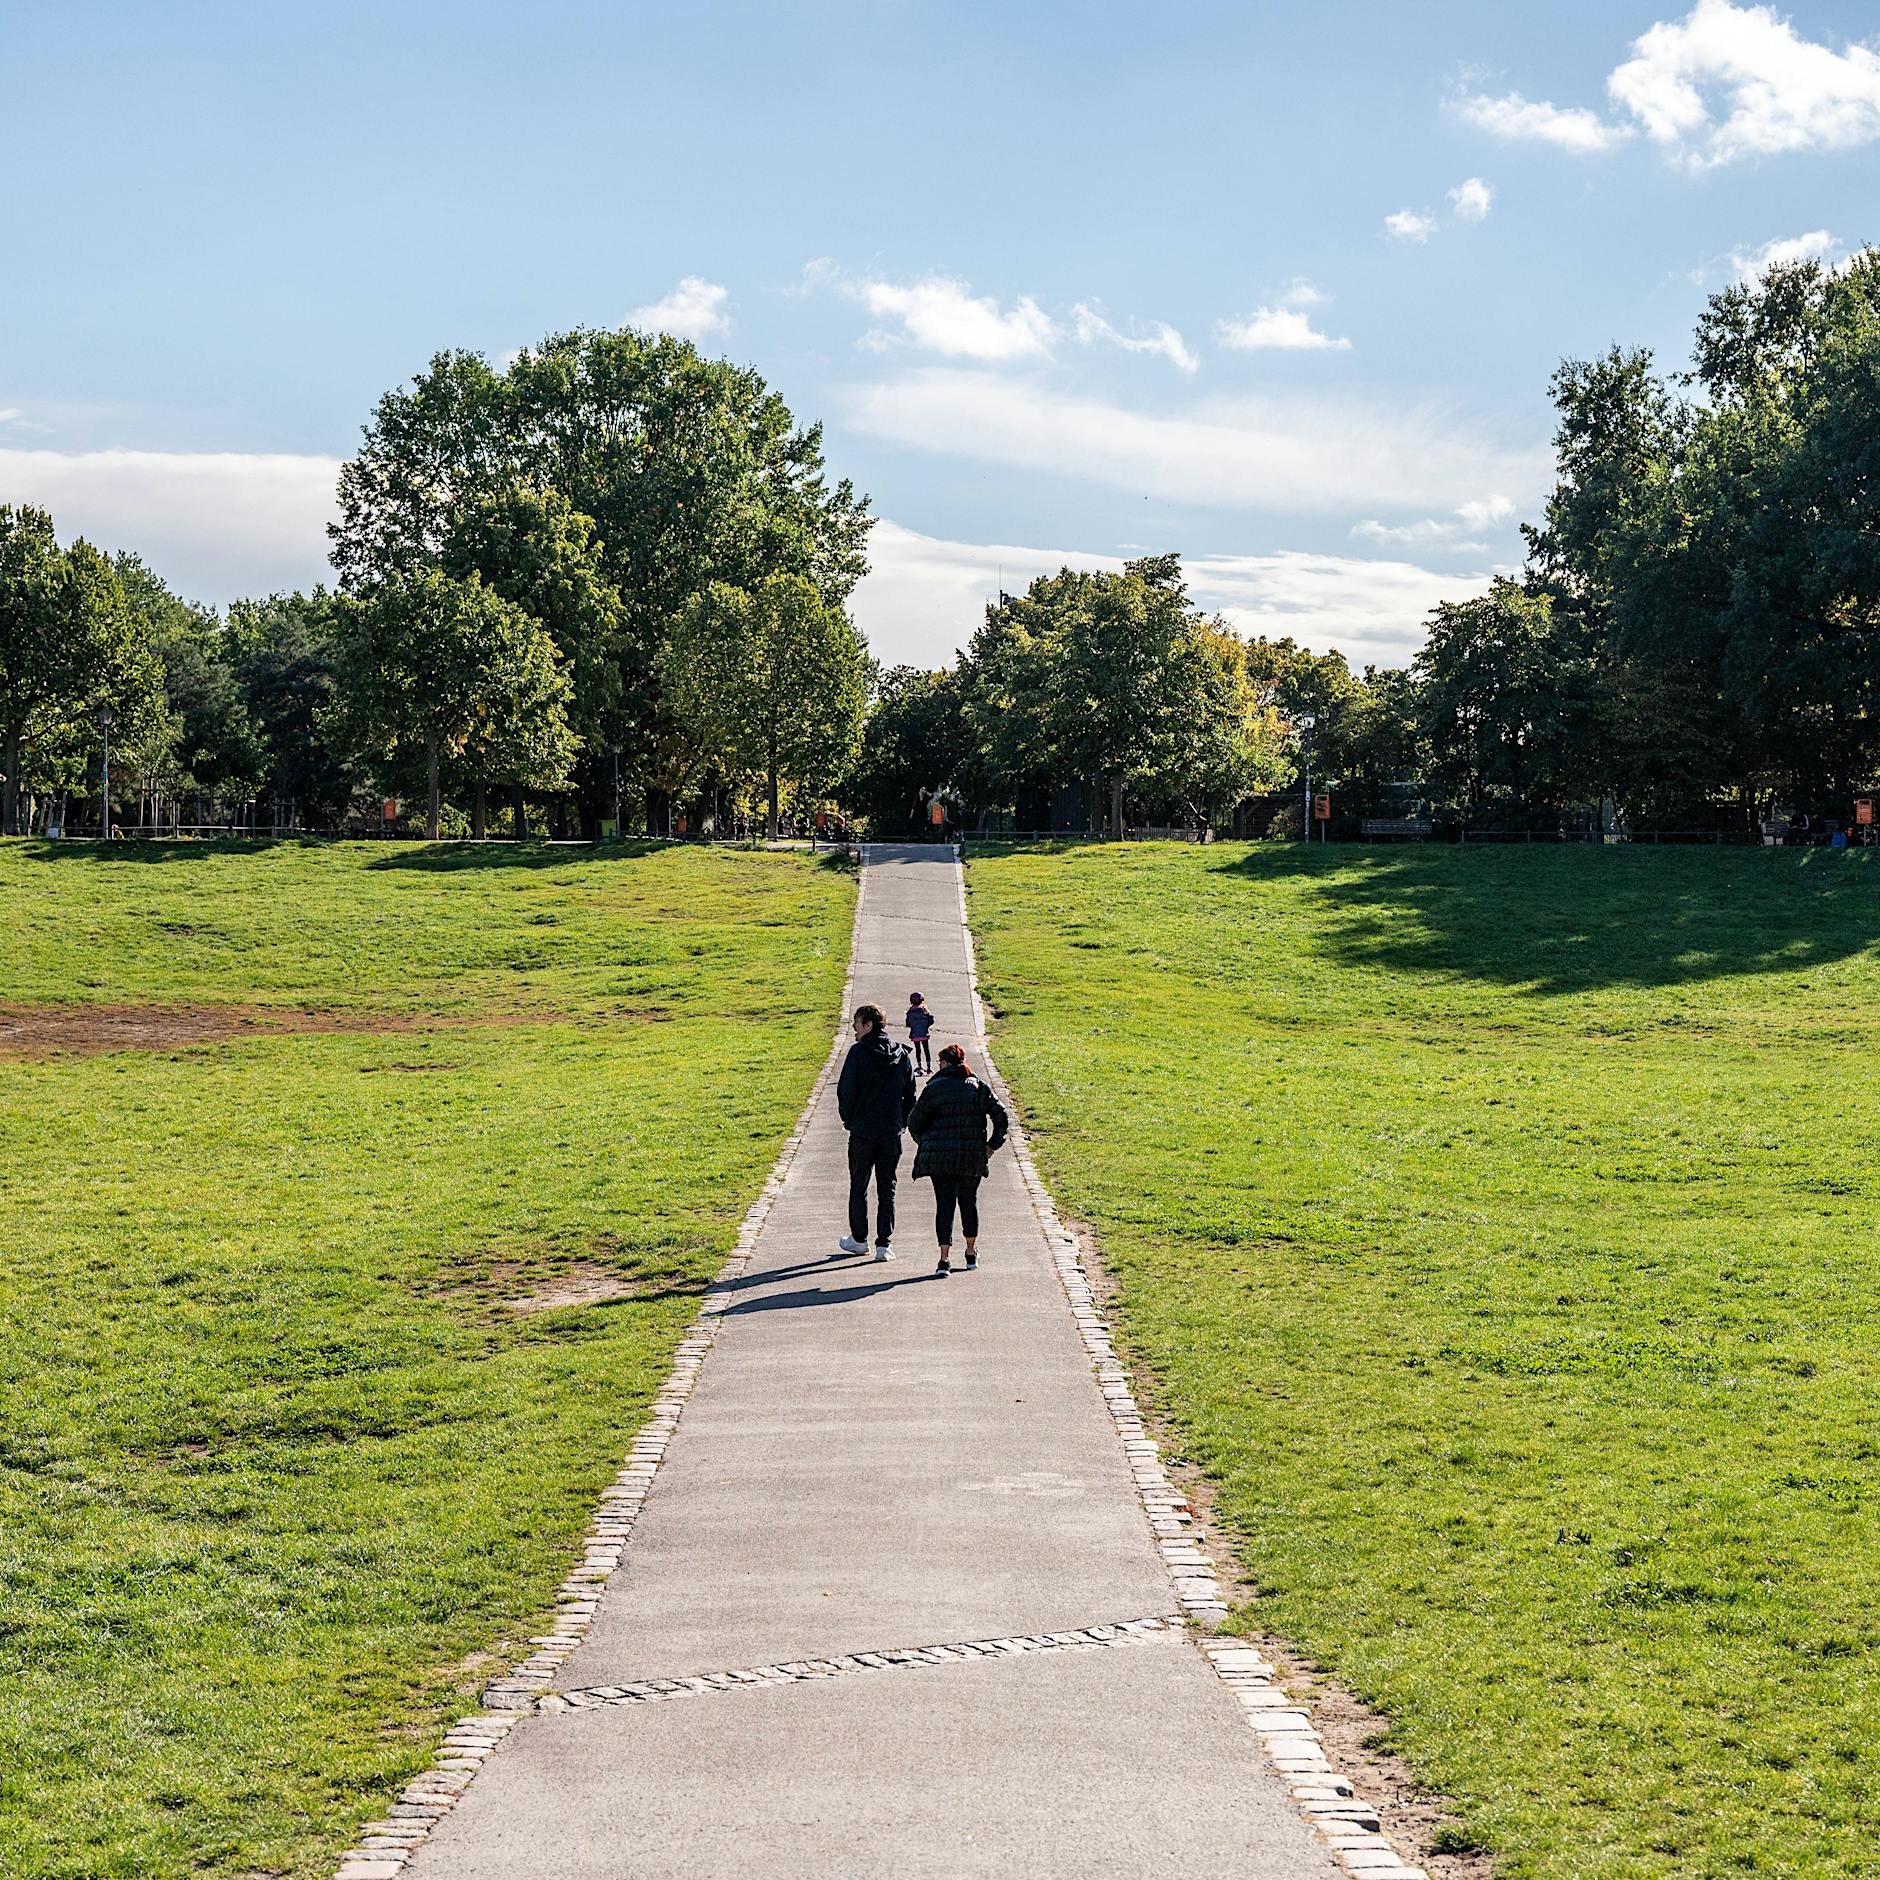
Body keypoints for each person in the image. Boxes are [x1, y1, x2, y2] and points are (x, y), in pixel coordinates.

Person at [907, 1042, 1009, 1277]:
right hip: (971, 1155)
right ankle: (971, 1252)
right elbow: (1001, 1116)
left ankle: (944, 1259)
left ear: (944, 1063)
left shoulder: (934, 1088)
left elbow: (914, 1122)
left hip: (940, 1158)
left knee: (944, 1205)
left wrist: (926, 1142)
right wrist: (992, 1145)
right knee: (968, 1201)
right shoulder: (978, 1086)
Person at [835, 1003, 916, 1261]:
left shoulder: (858, 1054)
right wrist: (901, 1122)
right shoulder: (902, 1055)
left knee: (859, 1185)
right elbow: (910, 1095)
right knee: (887, 1188)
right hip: (890, 1131)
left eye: (857, 1024)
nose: (854, 1029)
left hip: (863, 1131)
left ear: (868, 1025)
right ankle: (884, 1244)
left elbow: (845, 1092)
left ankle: (859, 1239)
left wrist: (850, 1120)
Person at [905, 991, 934, 1073]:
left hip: (915, 1034)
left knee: (918, 1050)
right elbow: (931, 1020)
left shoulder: (910, 1011)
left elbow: (908, 1023)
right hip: (924, 1033)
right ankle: (929, 1067)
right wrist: (925, 1025)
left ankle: (919, 1066)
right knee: (926, 1050)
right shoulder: (924, 1009)